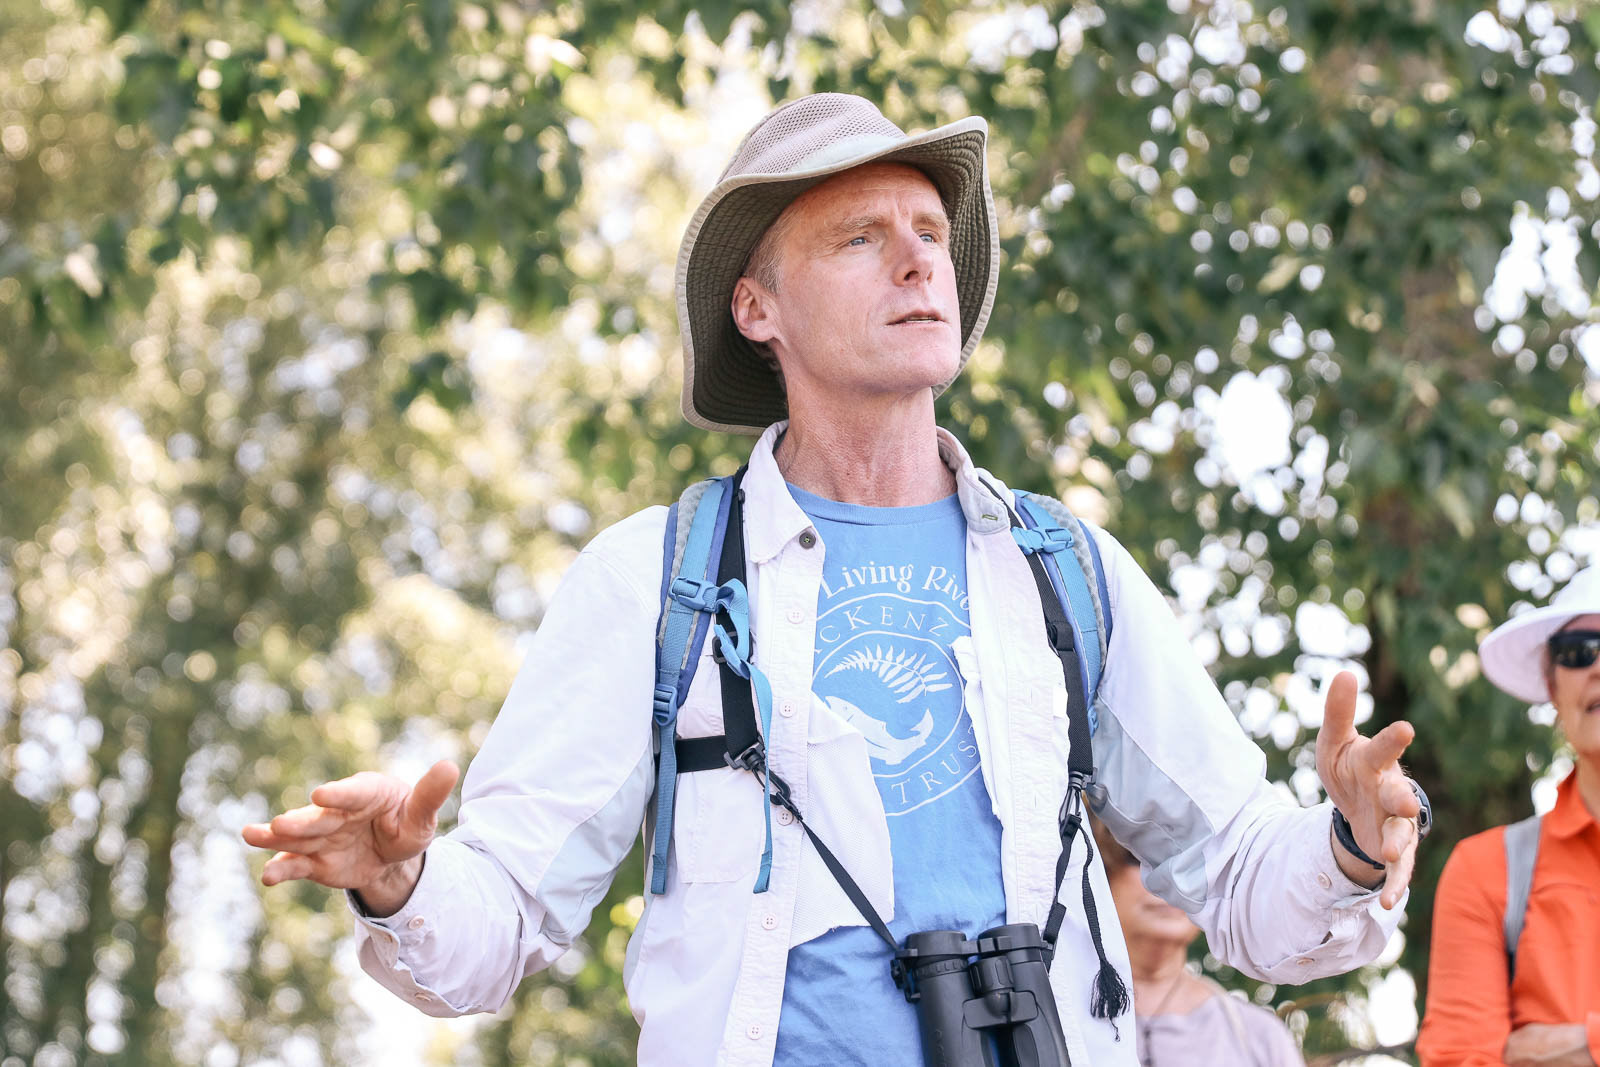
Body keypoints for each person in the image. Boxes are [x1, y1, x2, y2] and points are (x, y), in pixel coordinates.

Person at [242, 93, 1430, 1066]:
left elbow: (1245, 879)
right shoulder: (656, 580)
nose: (916, 260)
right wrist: (403, 882)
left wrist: (1350, 842)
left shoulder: (1066, 572)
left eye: (929, 233)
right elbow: (500, 916)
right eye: (860, 237)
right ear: (756, 307)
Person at [1417, 566, 1600, 1067]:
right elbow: (1459, 1059)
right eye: (1578, 651)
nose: (1598, 667)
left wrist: (1581, 1045)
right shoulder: (1486, 869)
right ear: (1552, 686)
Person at [1089, 816, 1305, 1067]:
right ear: (1098, 871)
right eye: (1141, 857)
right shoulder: (1059, 1011)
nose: (1169, 878)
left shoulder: (1261, 1038)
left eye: (1189, 864)